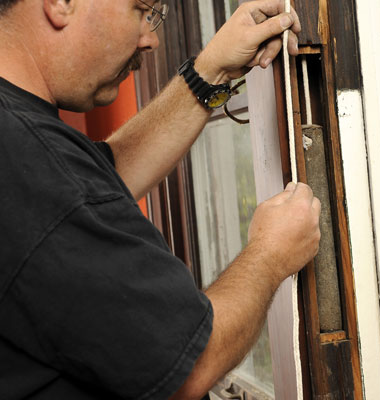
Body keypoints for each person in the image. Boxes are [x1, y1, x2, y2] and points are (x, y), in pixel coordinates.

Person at [0, 0, 321, 399]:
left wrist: (211, 71)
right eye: (142, 10)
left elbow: (99, 184)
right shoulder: (25, 157)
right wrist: (271, 254)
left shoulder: (21, 140)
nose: (150, 39)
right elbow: (189, 365)